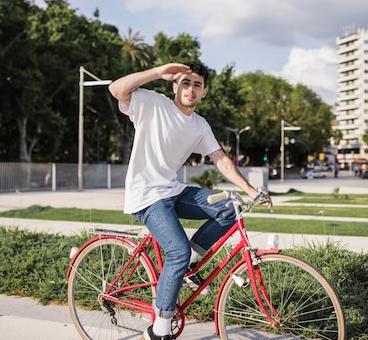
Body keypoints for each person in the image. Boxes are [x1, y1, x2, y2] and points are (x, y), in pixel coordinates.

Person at [108, 61, 272, 340]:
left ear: (204, 92)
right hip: (146, 195)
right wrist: (158, 72)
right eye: (185, 82)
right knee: (177, 251)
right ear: (174, 86)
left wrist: (249, 189)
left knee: (228, 207)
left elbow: (220, 159)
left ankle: (187, 268)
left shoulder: (199, 125)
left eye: (197, 84)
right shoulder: (152, 103)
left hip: (172, 190)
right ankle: (158, 330)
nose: (191, 89)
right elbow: (116, 89)